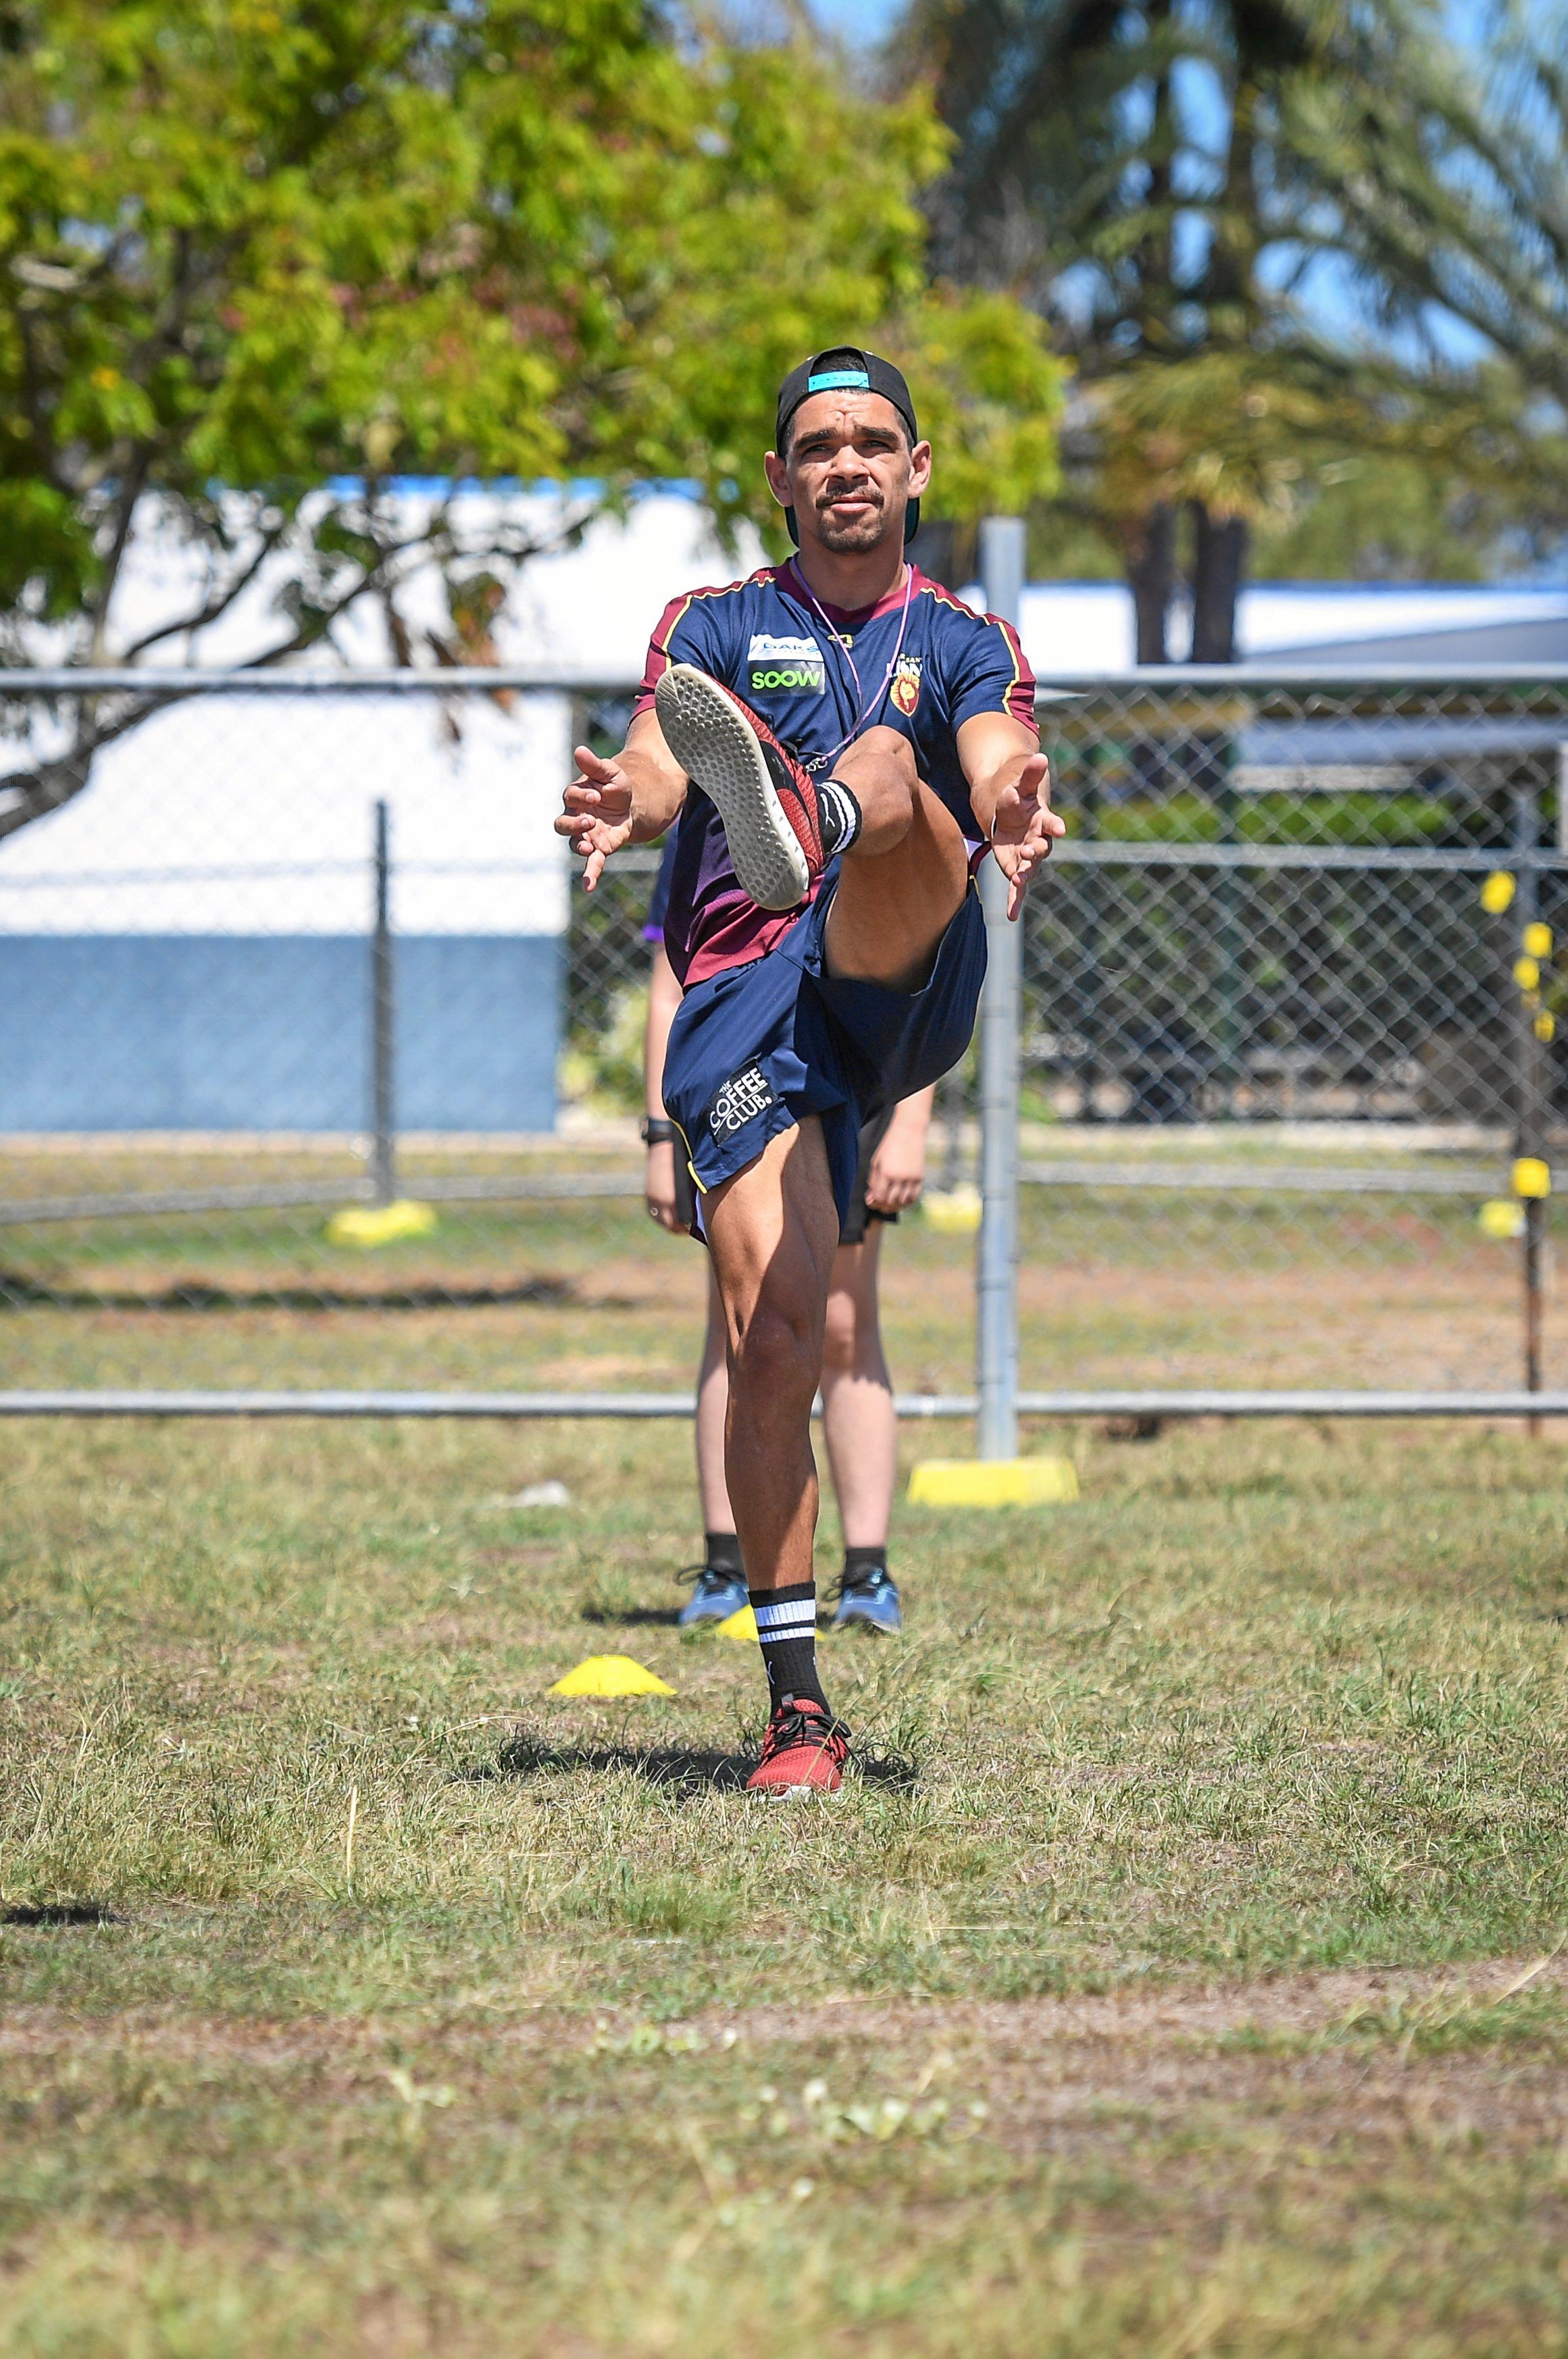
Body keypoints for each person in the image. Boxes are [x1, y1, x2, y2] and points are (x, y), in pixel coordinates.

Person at [559, 344, 1058, 1794]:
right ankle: (796, 1708)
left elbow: (994, 746)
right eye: (817, 445)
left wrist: (1016, 800)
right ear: (780, 478)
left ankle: (822, 810)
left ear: (913, 472)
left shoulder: (967, 635)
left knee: (900, 767)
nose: (845, 462)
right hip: (745, 998)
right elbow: (659, 756)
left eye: (872, 441)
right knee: (776, 1336)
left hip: (896, 968)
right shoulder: (713, 623)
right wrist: (626, 796)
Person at [640, 831, 934, 1635]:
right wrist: (659, 1138)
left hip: (851, 1085)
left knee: (842, 1324)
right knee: (739, 1327)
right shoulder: (710, 818)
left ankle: (867, 1574)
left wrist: (909, 1127)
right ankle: (727, 1565)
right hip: (735, 1078)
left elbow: (918, 982)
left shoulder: (869, 796)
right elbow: (670, 986)